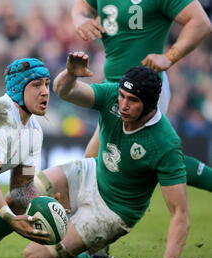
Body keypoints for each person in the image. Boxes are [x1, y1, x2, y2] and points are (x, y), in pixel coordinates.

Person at [25, 52, 190, 258]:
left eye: (132, 100)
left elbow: (180, 211)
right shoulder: (113, 94)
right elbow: (65, 91)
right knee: (21, 193)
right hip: (92, 173)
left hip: (113, 211)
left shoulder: (165, 142)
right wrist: (71, 75)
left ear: (150, 106)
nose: (123, 105)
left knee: (32, 256)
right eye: (122, 96)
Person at [71, 0, 212, 192]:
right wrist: (79, 18)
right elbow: (82, 6)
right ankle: (79, 212)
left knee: (103, 163)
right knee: (99, 163)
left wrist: (169, 57)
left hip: (142, 92)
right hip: (113, 88)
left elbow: (201, 23)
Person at [0, 57, 53, 258]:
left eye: (47, 83)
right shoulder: (2, 118)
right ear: (18, 88)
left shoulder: (34, 130)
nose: (45, 91)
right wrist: (10, 219)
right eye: (36, 85)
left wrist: (48, 210)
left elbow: (22, 189)